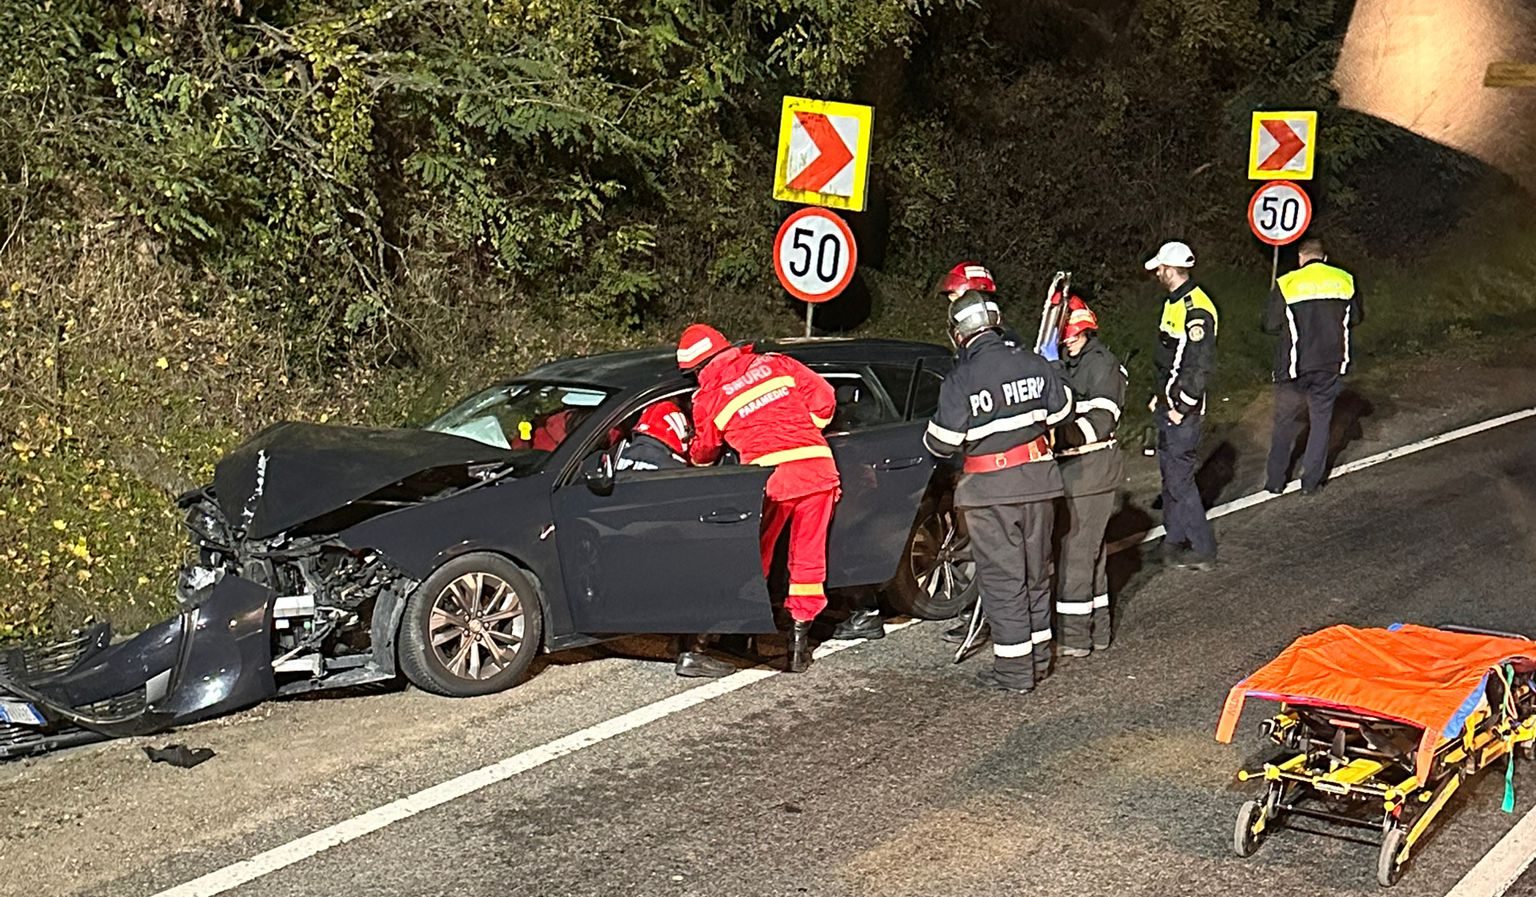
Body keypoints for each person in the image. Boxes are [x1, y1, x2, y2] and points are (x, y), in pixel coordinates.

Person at [923, 291, 1072, 693]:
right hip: (1040, 482)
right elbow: (1061, 411)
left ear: (958, 334)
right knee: (1036, 573)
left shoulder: (961, 379)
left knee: (1003, 582)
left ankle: (1014, 672)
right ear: (996, 321)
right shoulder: (1032, 362)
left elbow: (941, 443)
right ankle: (1040, 659)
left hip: (991, 492)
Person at [679, 324, 841, 673]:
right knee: (808, 562)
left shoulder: (709, 396)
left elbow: (705, 453)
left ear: (697, 369)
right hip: (816, 467)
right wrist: (807, 427)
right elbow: (825, 399)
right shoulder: (776, 364)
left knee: (754, 559)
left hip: (771, 480)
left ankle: (717, 636)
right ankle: (798, 647)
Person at [612, 400, 737, 679]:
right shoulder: (673, 470)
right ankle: (694, 652)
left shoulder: (617, 457)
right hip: (657, 562)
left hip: (615, 559)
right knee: (721, 560)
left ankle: (678, 638)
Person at [1051, 297, 1126, 656]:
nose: (1069, 342)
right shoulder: (1064, 363)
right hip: (1073, 468)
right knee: (1089, 555)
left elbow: (1102, 418)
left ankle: (1075, 637)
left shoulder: (1101, 365)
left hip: (1092, 468)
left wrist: (1059, 436)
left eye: (1074, 336)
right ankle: (1098, 632)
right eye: (1064, 338)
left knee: (1076, 554)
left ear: (1087, 330)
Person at [1262, 238, 1364, 496]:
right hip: (1330, 363)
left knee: (1284, 421)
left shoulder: (1287, 283)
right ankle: (1311, 482)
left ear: (1300, 258)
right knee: (1320, 421)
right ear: (1324, 258)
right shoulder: (1345, 280)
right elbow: (1355, 317)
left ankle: (1275, 480)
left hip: (1294, 366)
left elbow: (1270, 325)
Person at [1145, 241, 1219, 571]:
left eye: (1160, 268)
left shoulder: (1196, 310)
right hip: (1167, 403)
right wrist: (1157, 395)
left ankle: (1202, 548)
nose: (1157, 273)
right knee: (1169, 477)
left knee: (1180, 480)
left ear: (1172, 270)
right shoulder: (1173, 302)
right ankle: (1173, 541)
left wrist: (1182, 405)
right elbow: (1168, 359)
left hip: (1181, 410)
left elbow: (1199, 366)